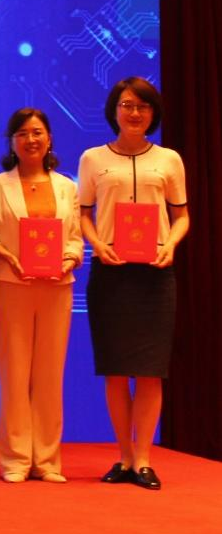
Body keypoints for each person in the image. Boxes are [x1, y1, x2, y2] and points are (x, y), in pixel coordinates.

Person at [78, 77, 189, 490]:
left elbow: (182, 216)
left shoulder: (169, 160)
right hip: (111, 271)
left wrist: (171, 245)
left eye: (142, 106)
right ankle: (124, 456)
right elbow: (83, 214)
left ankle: (143, 460)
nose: (135, 113)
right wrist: (97, 245)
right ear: (114, 110)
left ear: (153, 113)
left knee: (150, 372)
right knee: (115, 371)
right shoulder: (93, 159)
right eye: (127, 105)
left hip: (156, 273)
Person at [0, 108, 83, 484]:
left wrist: (69, 259)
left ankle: (47, 460)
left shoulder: (67, 187)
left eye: (37, 132)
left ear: (49, 138)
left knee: (50, 375)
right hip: (12, 283)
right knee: (14, 374)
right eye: (22, 133)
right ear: (11, 142)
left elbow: (75, 238)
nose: (30, 139)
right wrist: (5, 254)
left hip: (57, 285)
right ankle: (15, 459)